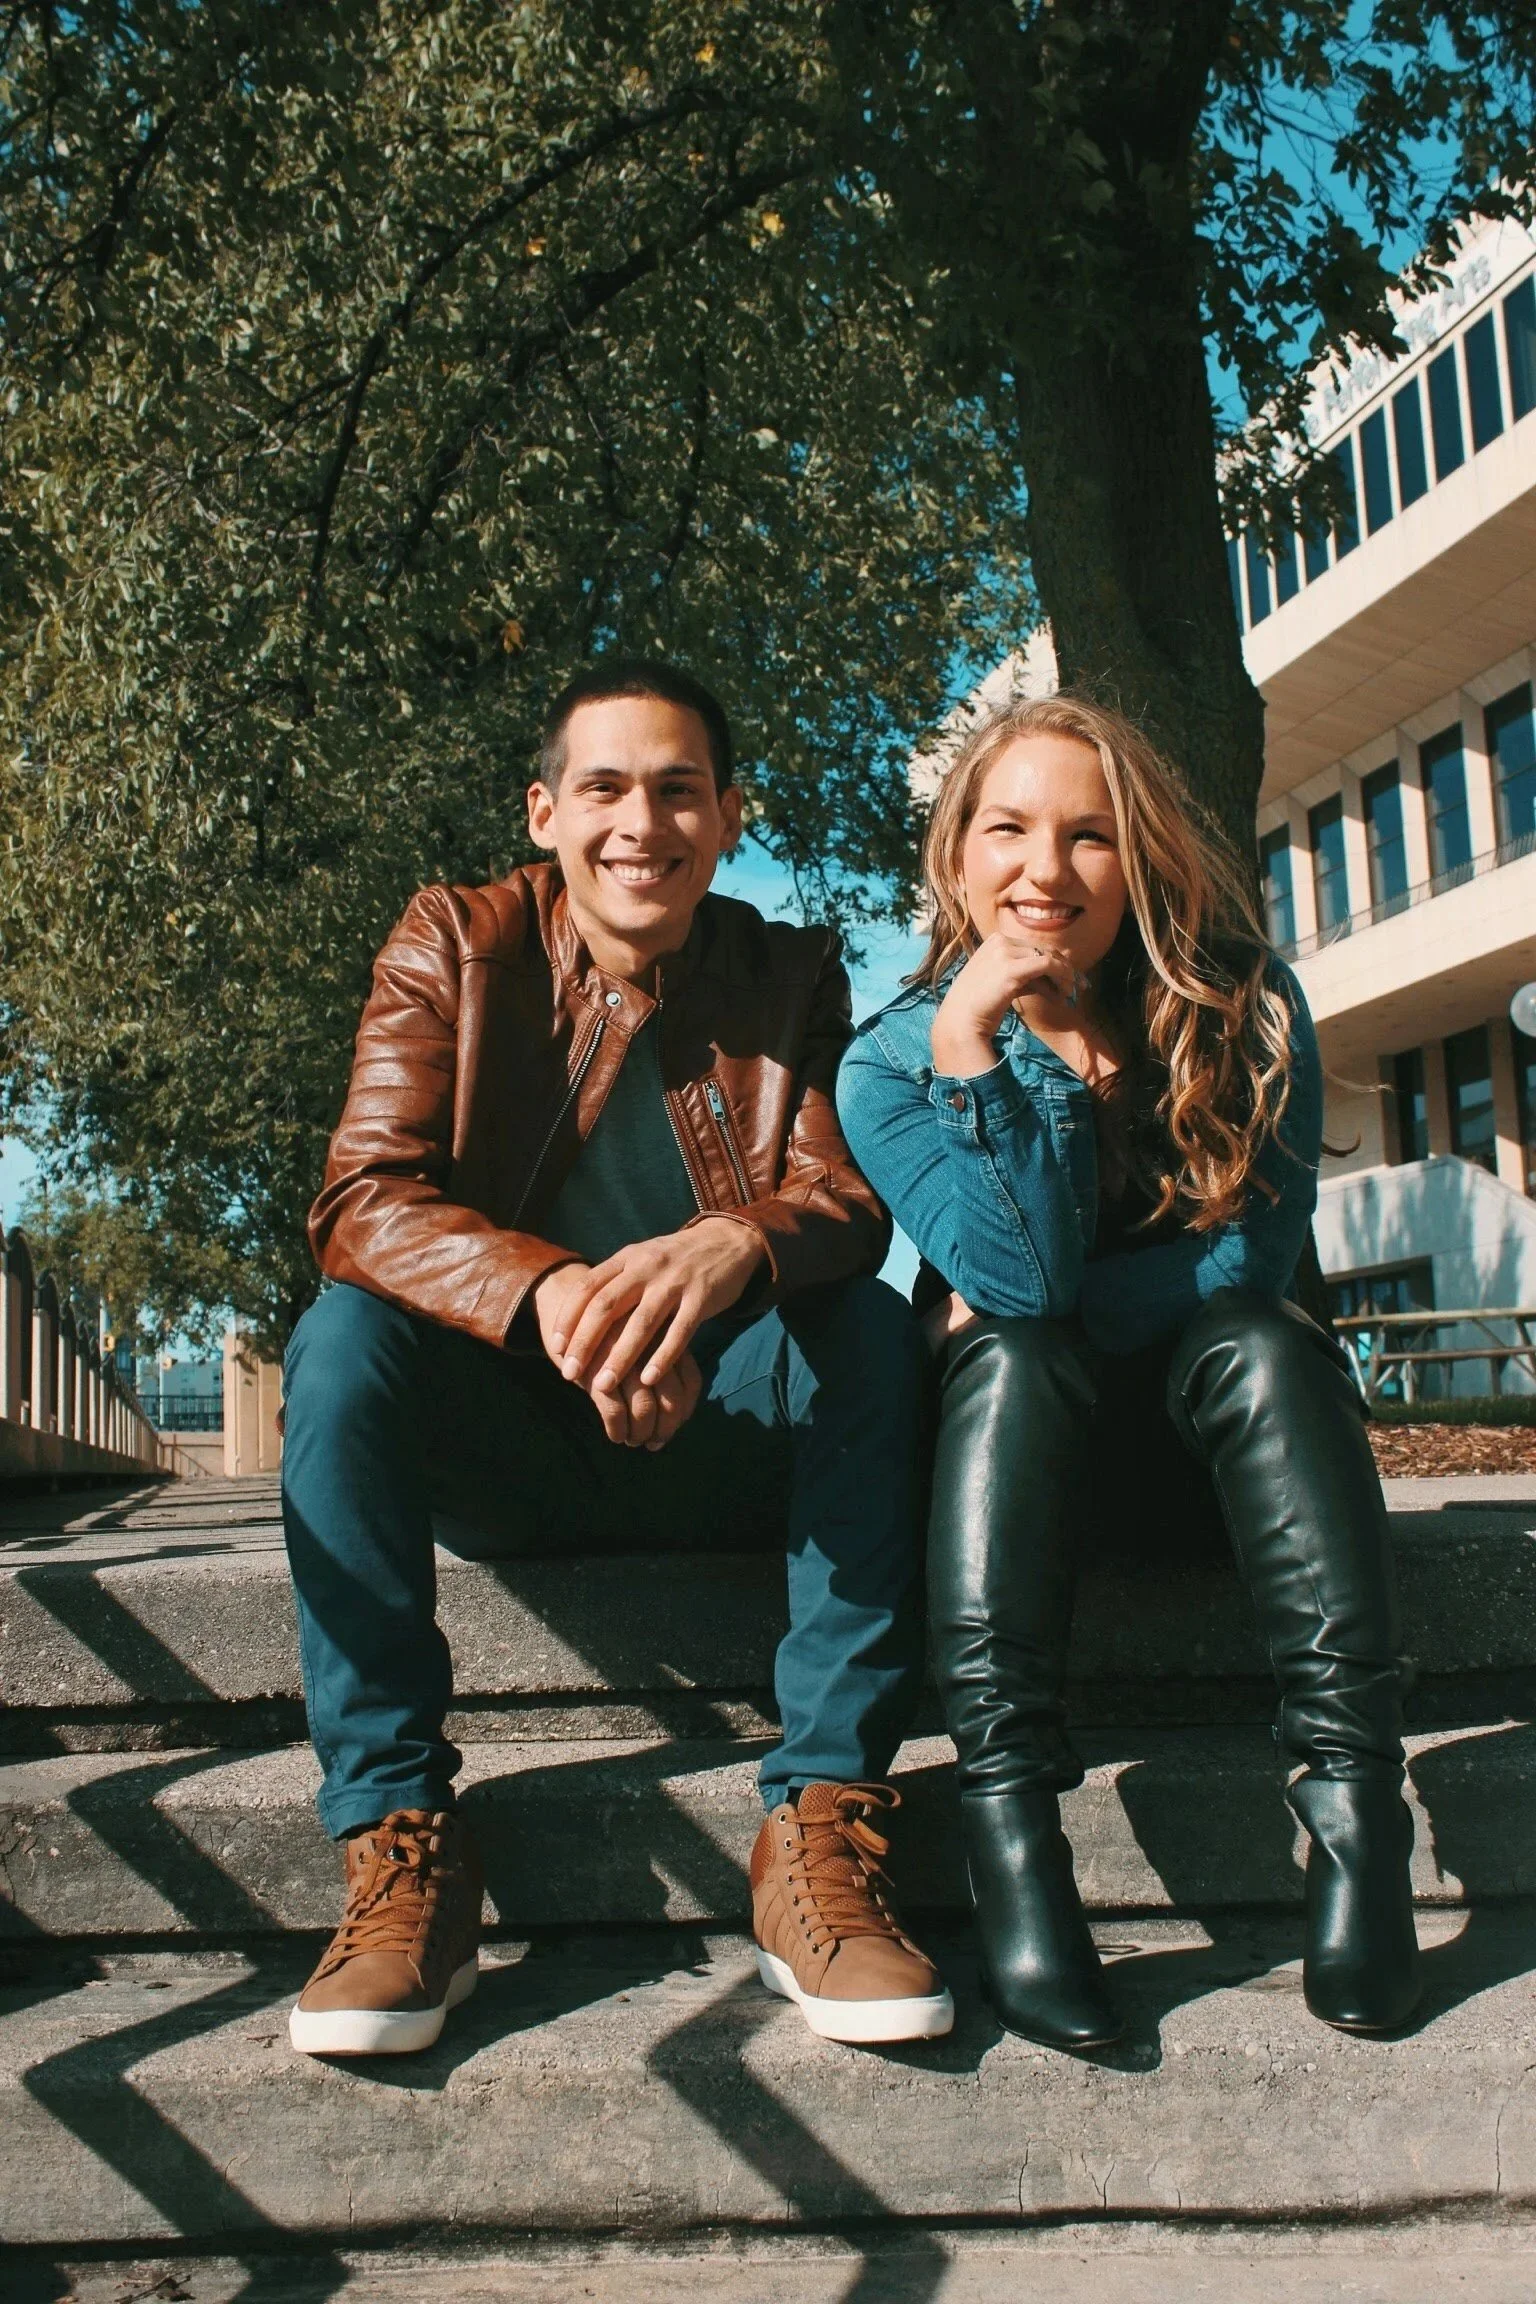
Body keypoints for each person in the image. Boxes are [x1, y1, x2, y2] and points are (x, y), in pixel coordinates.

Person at [281, 659, 952, 2056]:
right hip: (509, 1436)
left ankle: (821, 1827)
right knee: (340, 1340)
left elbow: (843, 1198)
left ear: (727, 816)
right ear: (544, 811)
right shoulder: (452, 945)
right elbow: (362, 1201)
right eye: (604, 788)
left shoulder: (788, 975)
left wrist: (727, 1252)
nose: (640, 823)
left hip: (724, 1427)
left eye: (678, 789)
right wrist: (555, 1300)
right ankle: (400, 1847)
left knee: (871, 1330)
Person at [836, 692, 1421, 2049]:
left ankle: (1355, 1823)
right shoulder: (891, 1064)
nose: (1047, 871)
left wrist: (1012, 1309)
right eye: (1011, 831)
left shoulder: (1246, 1005)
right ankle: (1015, 1840)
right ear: (958, 856)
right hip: (1022, 1492)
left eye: (1090, 836)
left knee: (1258, 1340)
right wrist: (978, 1053)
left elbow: (1248, 1261)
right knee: (1016, 1363)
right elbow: (1023, 1283)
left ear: (1141, 856)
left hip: (1233, 1474)